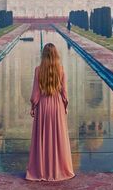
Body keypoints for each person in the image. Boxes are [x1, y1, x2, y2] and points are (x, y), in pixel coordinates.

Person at [25, 43, 75, 181]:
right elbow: (64, 92)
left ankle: (42, 170)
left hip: (43, 105)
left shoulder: (38, 70)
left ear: (43, 55)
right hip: (57, 106)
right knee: (57, 138)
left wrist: (33, 106)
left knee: (43, 138)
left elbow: (35, 93)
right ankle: (58, 169)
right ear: (56, 54)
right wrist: (65, 105)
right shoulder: (61, 69)